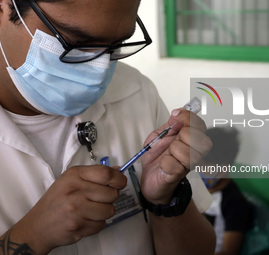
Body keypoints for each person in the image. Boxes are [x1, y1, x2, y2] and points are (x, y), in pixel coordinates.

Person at [0, 0, 216, 254]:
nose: (99, 69)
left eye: (116, 46)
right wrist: (33, 235)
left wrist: (165, 200)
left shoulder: (135, 91)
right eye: (76, 42)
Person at [199, 127, 254, 255]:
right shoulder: (195, 187)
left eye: (206, 165)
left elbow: (228, 251)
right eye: (198, 164)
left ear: (225, 166)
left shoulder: (235, 203)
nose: (200, 170)